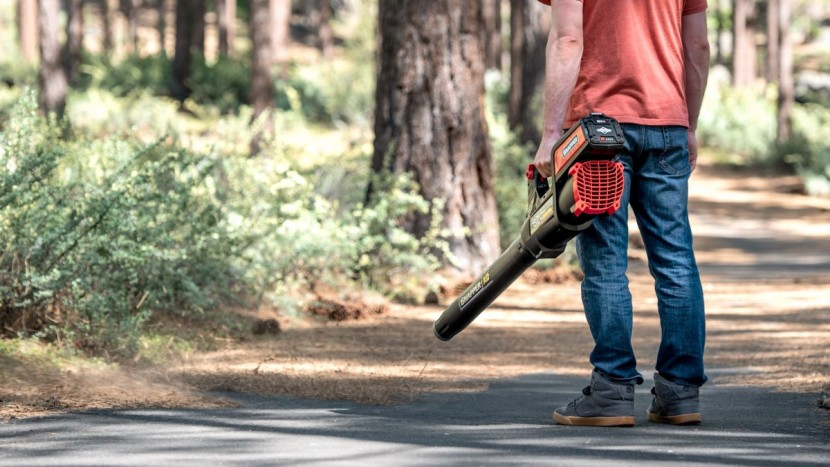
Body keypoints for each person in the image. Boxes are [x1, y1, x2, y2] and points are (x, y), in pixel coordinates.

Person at [532, 0, 711, 426]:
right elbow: (698, 46)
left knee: (605, 264)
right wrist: (689, 125)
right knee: (675, 261)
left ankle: (612, 390)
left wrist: (551, 134)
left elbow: (567, 38)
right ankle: (680, 392)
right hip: (667, 124)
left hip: (598, 131)